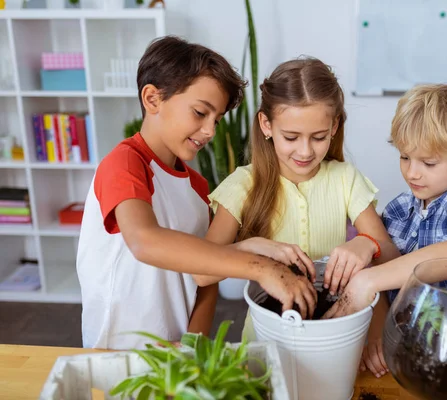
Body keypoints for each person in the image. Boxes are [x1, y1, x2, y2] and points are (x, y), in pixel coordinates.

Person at [76, 36, 316, 350]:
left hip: (176, 350)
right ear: (153, 99)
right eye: (200, 113)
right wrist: (262, 268)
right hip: (116, 350)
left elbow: (205, 275)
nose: (210, 131)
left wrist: (193, 344)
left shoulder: (197, 187)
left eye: (217, 120)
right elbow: (145, 240)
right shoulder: (124, 164)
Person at [193, 57, 398, 340]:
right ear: (266, 125)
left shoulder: (345, 178)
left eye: (318, 137)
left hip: (335, 334)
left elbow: (390, 255)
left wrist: (368, 244)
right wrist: (251, 246)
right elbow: (202, 273)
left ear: (334, 126)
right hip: (265, 337)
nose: (305, 152)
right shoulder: (243, 184)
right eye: (290, 137)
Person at [324, 84, 447, 378]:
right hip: (416, 357)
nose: (412, 172)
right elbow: (386, 284)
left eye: (429, 162)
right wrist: (375, 332)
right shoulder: (398, 211)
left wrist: (367, 281)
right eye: (405, 157)